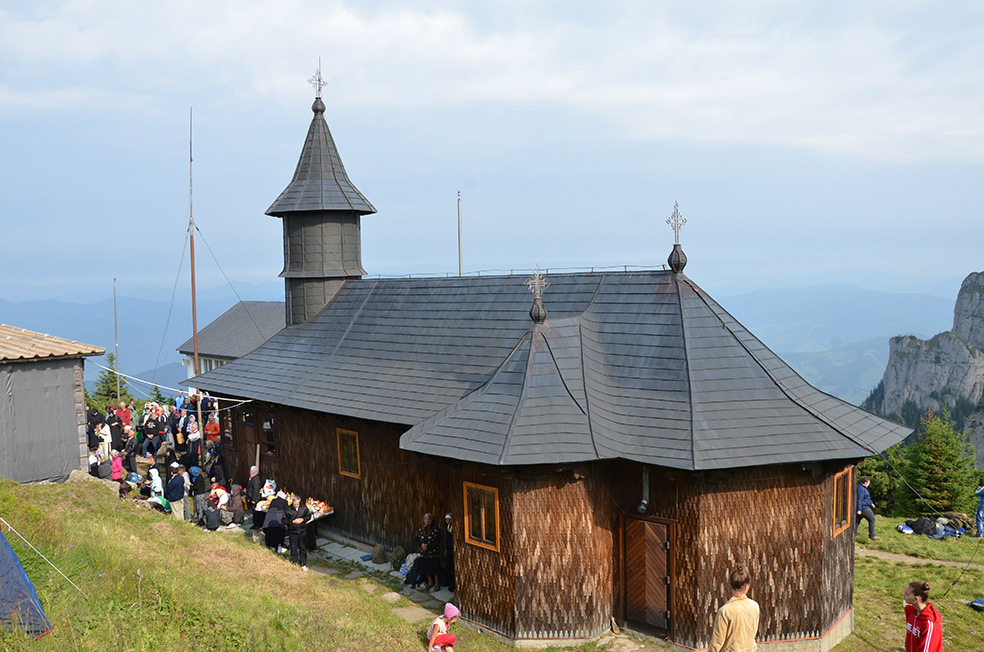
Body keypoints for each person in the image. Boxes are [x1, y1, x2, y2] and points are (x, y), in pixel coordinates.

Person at [709, 565, 759, 652]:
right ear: (747, 587)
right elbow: (753, 633)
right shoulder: (754, 606)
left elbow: (717, 642)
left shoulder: (725, 611)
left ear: (731, 585)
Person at [903, 581, 945, 652]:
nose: (903, 595)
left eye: (907, 594)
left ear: (916, 599)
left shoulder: (929, 623)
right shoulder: (910, 610)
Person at [416, 513, 441, 591]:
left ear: (431, 520)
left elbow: (437, 540)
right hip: (424, 552)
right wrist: (422, 545)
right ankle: (430, 582)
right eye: (425, 519)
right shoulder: (421, 529)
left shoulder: (435, 529)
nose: (427, 521)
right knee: (426, 567)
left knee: (434, 568)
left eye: (428, 519)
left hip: (432, 552)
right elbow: (417, 538)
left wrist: (428, 546)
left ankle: (437, 584)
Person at [284, 495, 311, 569]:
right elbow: (284, 520)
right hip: (293, 531)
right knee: (294, 547)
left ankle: (303, 562)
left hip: (302, 530)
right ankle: (294, 560)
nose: (295, 506)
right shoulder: (288, 509)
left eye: (297, 504)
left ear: (299, 502)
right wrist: (292, 521)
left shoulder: (303, 507)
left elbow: (308, 516)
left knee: (303, 547)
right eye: (294, 504)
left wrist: (302, 519)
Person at [245, 466, 263, 530]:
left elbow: (256, 490)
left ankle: (257, 525)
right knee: (254, 512)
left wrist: (253, 499)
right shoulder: (252, 478)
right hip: (250, 497)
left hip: (254, 499)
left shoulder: (256, 479)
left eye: (251, 471)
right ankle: (256, 524)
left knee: (256, 512)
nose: (250, 472)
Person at [441, 513, 456, 593]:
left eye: (449, 519)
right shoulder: (447, 526)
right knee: (449, 565)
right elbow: (446, 538)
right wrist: (446, 549)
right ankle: (450, 581)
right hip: (449, 548)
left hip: (453, 549)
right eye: (446, 520)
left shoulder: (454, 527)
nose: (448, 521)